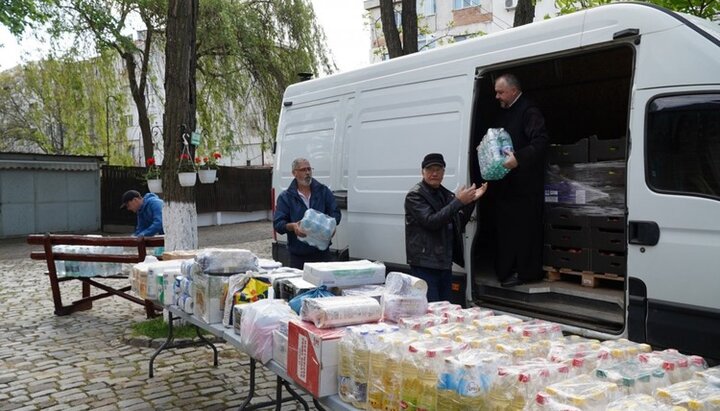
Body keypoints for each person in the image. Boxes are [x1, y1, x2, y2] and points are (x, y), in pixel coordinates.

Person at [405, 153, 487, 302]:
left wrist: (470, 201)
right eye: (430, 169)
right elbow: (431, 221)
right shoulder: (415, 196)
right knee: (431, 309)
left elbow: (458, 222)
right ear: (422, 172)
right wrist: (458, 202)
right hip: (425, 264)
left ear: (444, 172)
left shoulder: (446, 195)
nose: (434, 173)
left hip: (443, 263)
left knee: (444, 309)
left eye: (438, 169)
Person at [491, 73, 549, 287]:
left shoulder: (529, 111)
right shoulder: (504, 112)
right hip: (506, 186)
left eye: (500, 92)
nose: (497, 96)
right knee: (505, 231)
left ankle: (525, 272)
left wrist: (519, 159)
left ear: (514, 90)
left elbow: (541, 142)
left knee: (524, 232)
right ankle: (505, 270)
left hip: (525, 187)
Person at [273, 158, 342, 270]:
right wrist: (294, 226)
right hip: (299, 258)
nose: (307, 172)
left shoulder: (323, 191)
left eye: (309, 169)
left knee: (324, 286)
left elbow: (335, 212)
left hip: (322, 254)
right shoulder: (286, 197)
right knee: (302, 287)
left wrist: (332, 226)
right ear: (294, 173)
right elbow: (278, 224)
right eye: (303, 170)